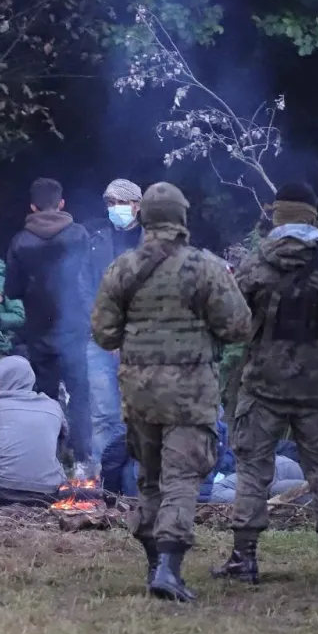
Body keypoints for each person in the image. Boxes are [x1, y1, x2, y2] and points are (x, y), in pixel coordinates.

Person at [92, 182, 252, 602]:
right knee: (181, 477)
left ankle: (153, 564)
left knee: (149, 479)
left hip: (139, 392)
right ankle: (168, 566)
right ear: (182, 218)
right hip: (190, 391)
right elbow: (238, 326)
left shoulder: (123, 268)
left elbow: (104, 334)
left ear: (144, 217)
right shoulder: (205, 268)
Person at [212, 183, 318, 584]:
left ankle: (244, 558)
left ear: (277, 217)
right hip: (316, 385)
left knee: (253, 469)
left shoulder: (257, 263)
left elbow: (235, 321)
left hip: (262, 385)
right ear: (311, 215)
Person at [5, 177, 94, 474]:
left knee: (45, 398)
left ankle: (49, 461)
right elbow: (89, 279)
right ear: (62, 203)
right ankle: (83, 460)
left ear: (32, 206)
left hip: (39, 332)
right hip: (74, 329)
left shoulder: (21, 241)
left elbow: (12, 290)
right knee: (80, 395)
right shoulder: (79, 235)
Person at [87, 178, 143, 470]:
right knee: (103, 414)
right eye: (110, 203)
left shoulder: (155, 243)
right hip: (98, 340)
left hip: (141, 341)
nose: (115, 209)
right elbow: (84, 289)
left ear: (137, 205)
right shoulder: (95, 241)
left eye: (121, 203)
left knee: (140, 408)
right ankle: (103, 477)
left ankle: (135, 475)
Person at [0, 355, 66, 507]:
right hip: (48, 494)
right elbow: (66, 434)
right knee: (58, 433)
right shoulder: (53, 405)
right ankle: (48, 476)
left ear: (9, 380)